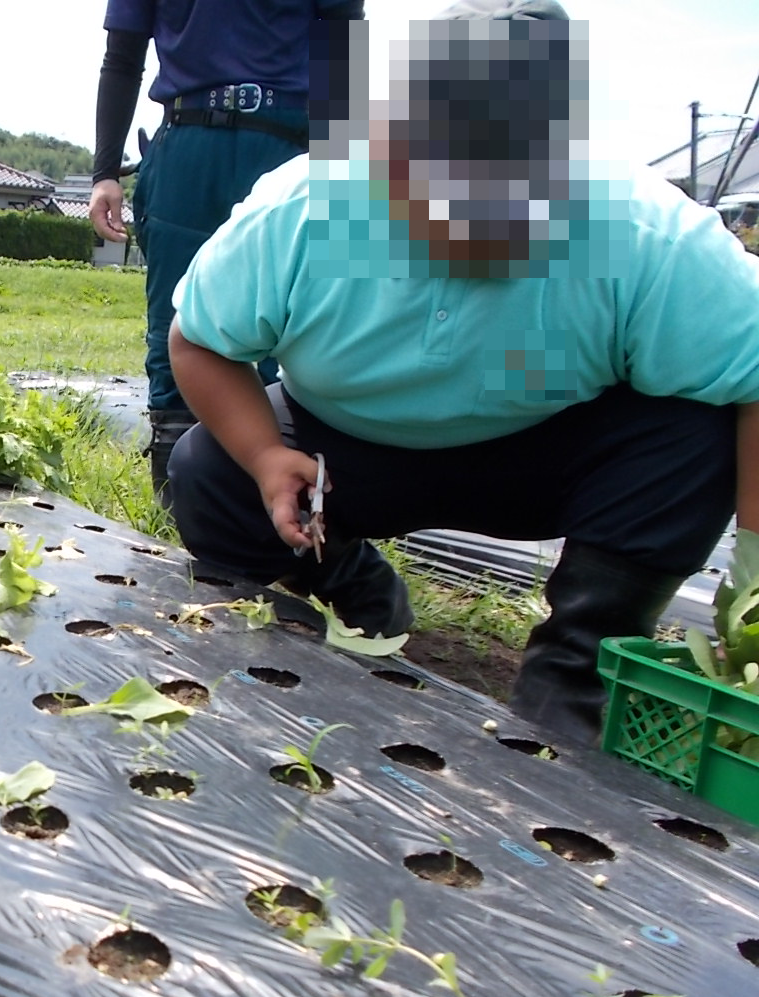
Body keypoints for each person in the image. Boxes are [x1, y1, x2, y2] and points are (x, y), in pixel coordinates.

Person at [164, 0, 759, 747]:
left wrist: (755, 581)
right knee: (207, 469)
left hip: (550, 452)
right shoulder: (304, 206)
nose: (465, 224)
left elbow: (754, 378)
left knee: (696, 435)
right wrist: (263, 455)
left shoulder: (644, 232)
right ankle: (353, 586)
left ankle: (575, 677)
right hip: (345, 452)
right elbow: (200, 340)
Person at [89, 0, 365, 502]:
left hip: (288, 146)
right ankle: (176, 508)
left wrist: (341, 161)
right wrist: (105, 172)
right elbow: (122, 56)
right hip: (189, 142)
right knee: (175, 324)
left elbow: (343, 39)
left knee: (285, 329)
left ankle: (270, 500)